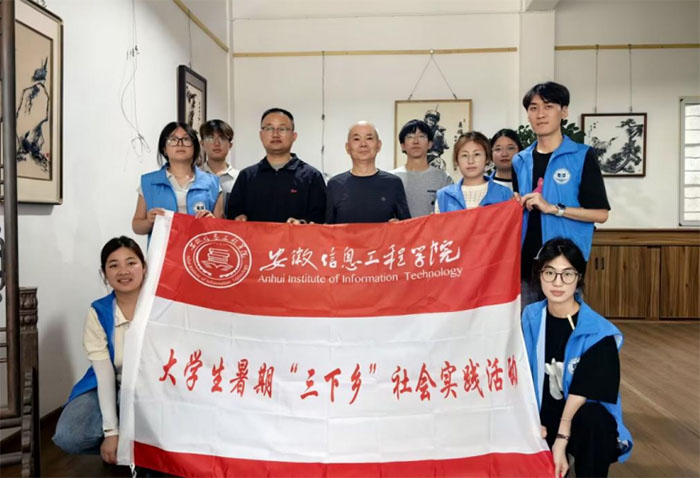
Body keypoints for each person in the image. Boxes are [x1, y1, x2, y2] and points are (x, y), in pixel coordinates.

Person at [522, 238, 632, 477]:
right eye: (549, 272)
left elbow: (583, 392)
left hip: (575, 422)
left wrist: (561, 441)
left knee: (595, 420)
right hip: (539, 418)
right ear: (539, 275)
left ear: (579, 277)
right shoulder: (529, 318)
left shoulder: (598, 332)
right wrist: (528, 422)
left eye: (567, 274)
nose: (557, 282)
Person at [512, 82, 610, 307]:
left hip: (564, 262)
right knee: (527, 324)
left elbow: (601, 214)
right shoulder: (520, 160)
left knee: (563, 324)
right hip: (526, 263)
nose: (540, 114)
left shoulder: (582, 156)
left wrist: (554, 208)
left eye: (548, 107)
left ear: (564, 112)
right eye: (534, 108)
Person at [53, 237, 147, 464]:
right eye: (114, 265)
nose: (123, 271)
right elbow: (104, 374)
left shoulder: (160, 307)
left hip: (151, 389)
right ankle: (121, 450)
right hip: (110, 384)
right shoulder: (99, 312)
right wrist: (111, 432)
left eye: (131, 263)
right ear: (104, 273)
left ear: (144, 268)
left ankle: (143, 451)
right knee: (70, 435)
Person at [225, 108, 326, 224]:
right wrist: (239, 218)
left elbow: (321, 217)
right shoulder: (246, 176)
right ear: (261, 135)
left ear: (294, 136)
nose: (275, 134)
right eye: (269, 128)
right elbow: (232, 214)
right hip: (256, 236)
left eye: (282, 129)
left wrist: (302, 223)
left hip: (296, 236)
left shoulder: (311, 176)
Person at [132, 122, 223, 236]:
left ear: (194, 147)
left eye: (186, 139)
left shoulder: (212, 183)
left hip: (199, 245)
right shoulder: (149, 182)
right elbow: (136, 226)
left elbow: (222, 228)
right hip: (163, 247)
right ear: (164, 149)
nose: (180, 144)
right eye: (173, 140)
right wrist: (148, 222)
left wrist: (212, 222)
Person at [326, 121, 410, 224]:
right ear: (347, 147)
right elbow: (327, 229)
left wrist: (398, 226)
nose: (363, 144)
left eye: (369, 138)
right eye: (356, 139)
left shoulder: (394, 183)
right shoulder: (334, 184)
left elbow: (408, 226)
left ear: (379, 145)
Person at [435, 132, 512, 213]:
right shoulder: (444, 196)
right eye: (464, 155)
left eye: (477, 154)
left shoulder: (505, 194)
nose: (470, 161)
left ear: (487, 158)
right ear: (456, 161)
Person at [391, 119, 453, 217]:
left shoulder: (444, 178)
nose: (416, 141)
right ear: (403, 146)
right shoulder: (392, 178)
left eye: (421, 136)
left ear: (429, 144)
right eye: (410, 137)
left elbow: (451, 215)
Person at [199, 119, 239, 215]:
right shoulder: (195, 177)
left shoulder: (240, 178)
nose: (216, 143)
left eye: (222, 138)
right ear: (202, 144)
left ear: (230, 145)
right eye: (210, 138)